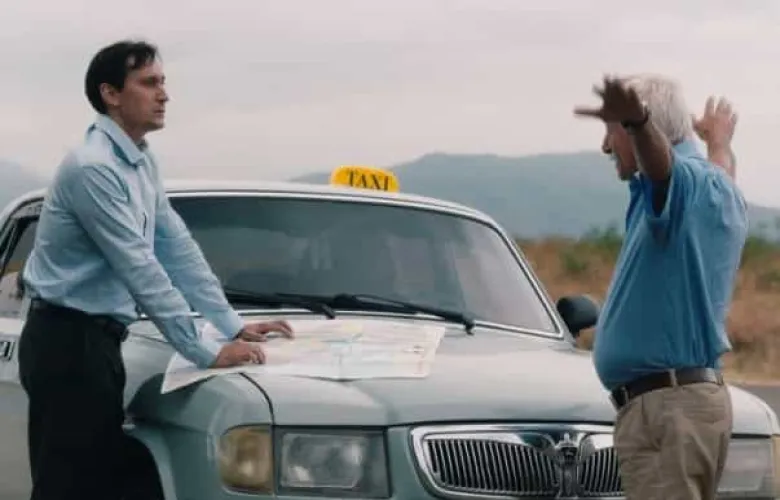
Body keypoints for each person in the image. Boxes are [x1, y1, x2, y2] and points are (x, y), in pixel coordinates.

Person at [17, 39, 294, 500]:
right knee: (69, 486)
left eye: (163, 81)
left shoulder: (141, 161)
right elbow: (138, 265)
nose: (164, 94)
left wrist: (231, 325)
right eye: (149, 83)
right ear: (111, 93)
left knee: (95, 482)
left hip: (98, 342)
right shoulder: (92, 167)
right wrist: (204, 350)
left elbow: (175, 247)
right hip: (67, 342)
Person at [574, 75, 747, 500]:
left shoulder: (677, 184)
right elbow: (717, 166)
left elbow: (661, 165)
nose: (605, 146)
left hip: (666, 412)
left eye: (612, 131)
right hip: (684, 407)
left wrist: (638, 120)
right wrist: (718, 142)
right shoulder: (715, 187)